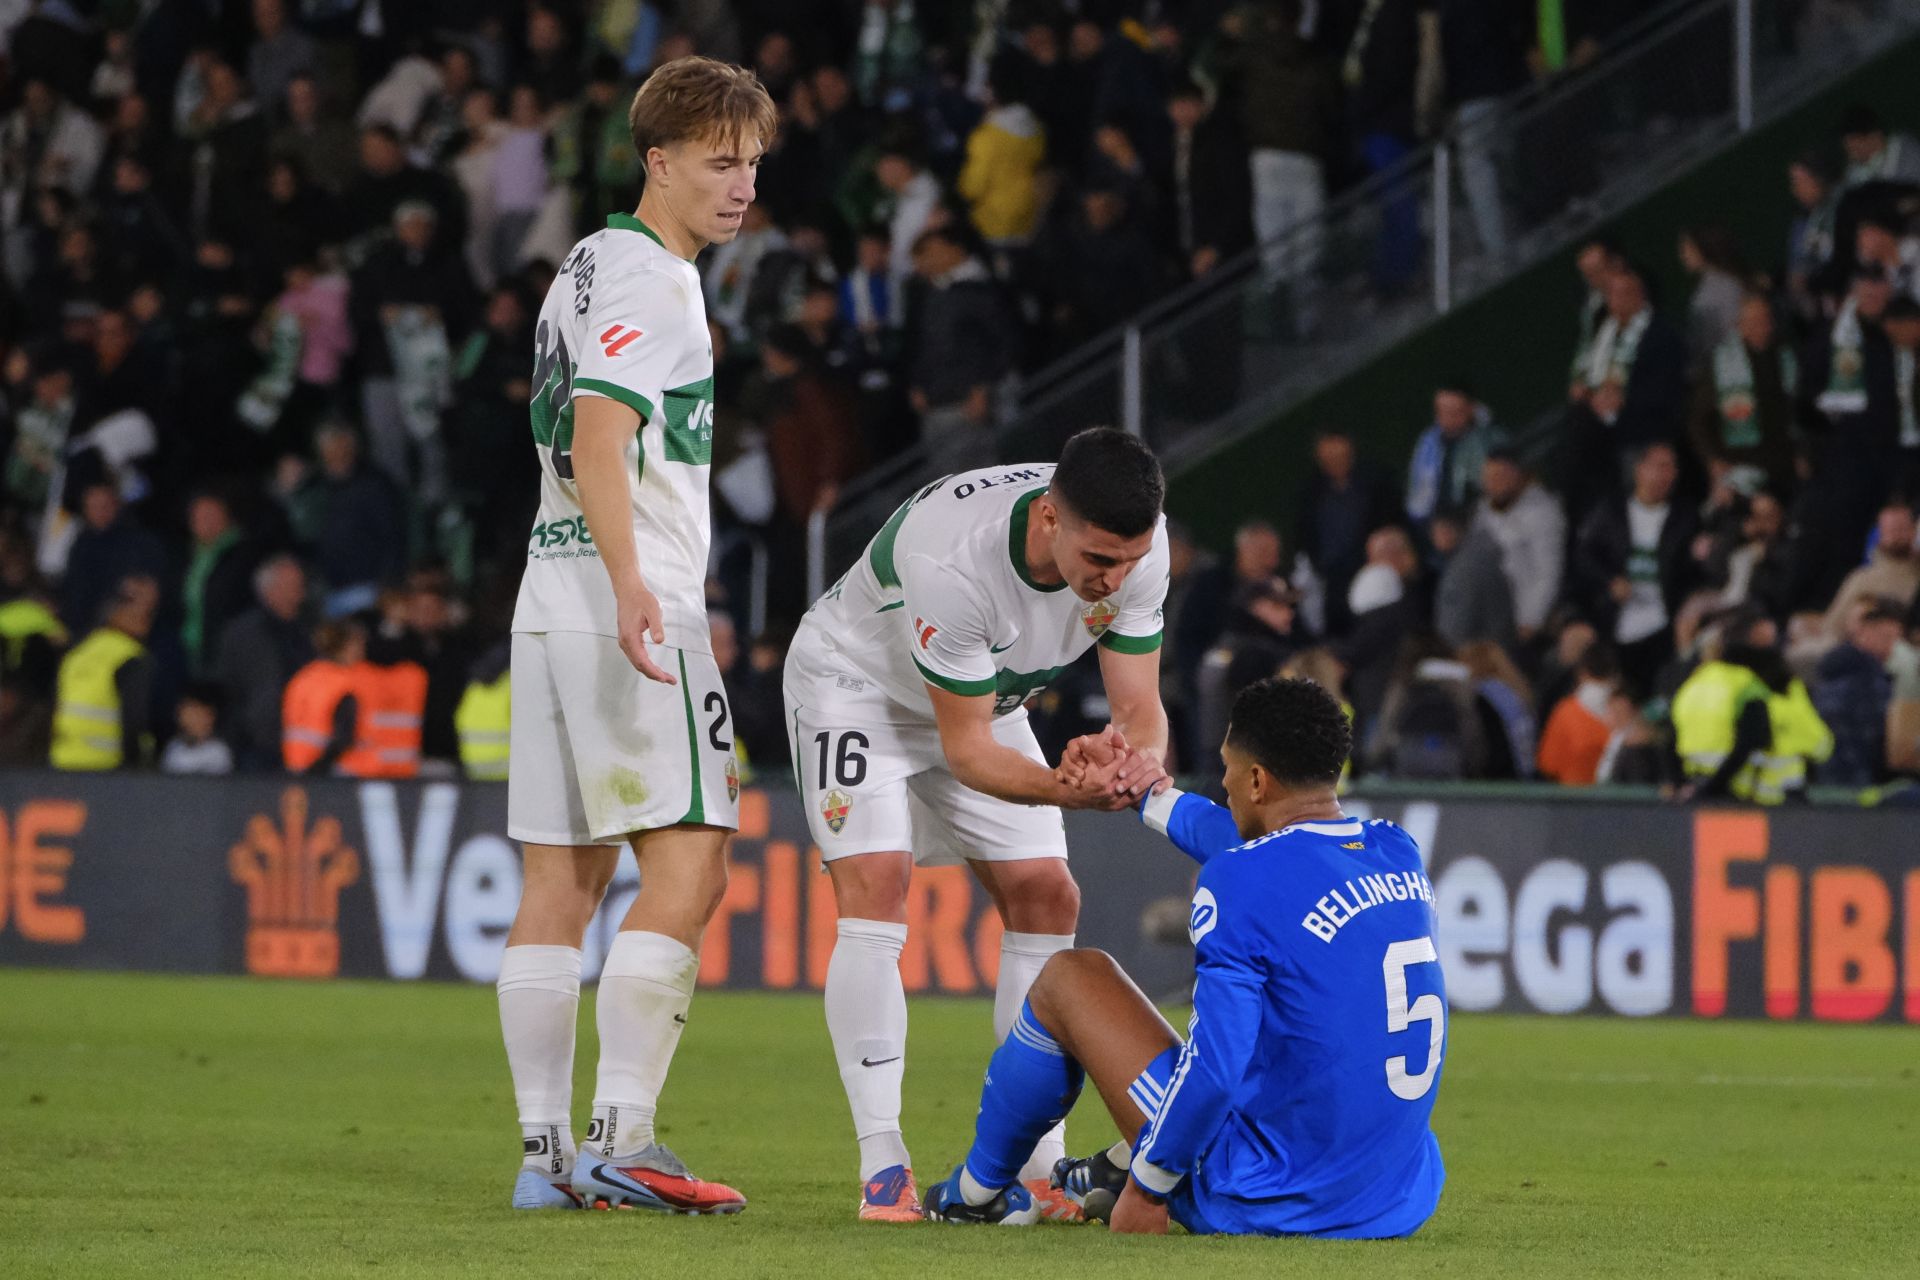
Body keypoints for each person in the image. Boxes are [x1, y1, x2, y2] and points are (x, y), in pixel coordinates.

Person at [497, 56, 776, 1217]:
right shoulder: (654, 281)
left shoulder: (585, 262)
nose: (743, 185)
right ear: (657, 161)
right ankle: (626, 1135)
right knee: (696, 854)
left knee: (562, 874)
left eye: (753, 164)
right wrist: (633, 581)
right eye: (720, 162)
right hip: (631, 599)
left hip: (543, 593)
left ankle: (545, 1153)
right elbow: (603, 437)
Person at [782, 428, 1173, 1222]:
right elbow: (965, 753)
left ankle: (1037, 1167)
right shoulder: (953, 559)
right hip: (856, 686)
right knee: (877, 884)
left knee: (1047, 895)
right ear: (1050, 522)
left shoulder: (1138, 545)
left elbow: (1140, 711)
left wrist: (1125, 761)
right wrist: (1067, 792)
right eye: (1100, 561)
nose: (1114, 580)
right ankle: (882, 1162)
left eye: (1128, 562)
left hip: (985, 696)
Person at [923, 677, 1445, 1239]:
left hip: (1267, 1196)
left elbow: (1217, 1066)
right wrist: (1147, 792)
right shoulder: (1396, 850)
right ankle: (1109, 1170)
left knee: (1070, 979)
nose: (1221, 783)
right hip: (1393, 1194)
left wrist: (1150, 1191)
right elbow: (1255, 843)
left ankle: (980, 1193)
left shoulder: (1241, 880)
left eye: (1226, 769)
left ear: (1256, 780)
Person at [1574, 442, 1698, 696]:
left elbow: (1691, 572)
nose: (1667, 474)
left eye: (1672, 468)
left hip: (1665, 627)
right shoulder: (1612, 512)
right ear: (1639, 470)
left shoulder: (1685, 517)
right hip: (1617, 624)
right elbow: (1584, 557)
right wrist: (1610, 582)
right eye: (1660, 466)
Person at [49, 575, 159, 771]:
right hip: (108, 767)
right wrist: (136, 765)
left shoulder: (78, 652)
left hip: (64, 760)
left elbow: (55, 702)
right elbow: (134, 719)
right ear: (116, 612)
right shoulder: (129, 656)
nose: (145, 618)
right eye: (140, 612)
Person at [1812, 599, 1902, 787]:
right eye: (1886, 637)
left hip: (1826, 776)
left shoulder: (1831, 672)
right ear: (1863, 632)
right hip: (1857, 783)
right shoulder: (1868, 682)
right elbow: (1876, 737)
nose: (1891, 647)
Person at [160, 684, 234, 775]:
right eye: (184, 714)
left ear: (210, 716)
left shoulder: (218, 751)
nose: (188, 719)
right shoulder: (174, 747)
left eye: (194, 713)